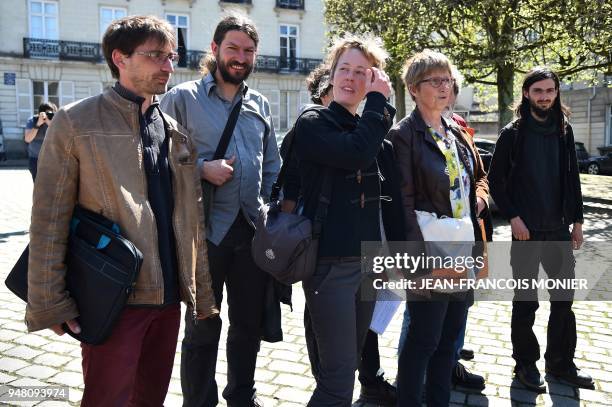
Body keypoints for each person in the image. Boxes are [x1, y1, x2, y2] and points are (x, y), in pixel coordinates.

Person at [24, 15, 218, 405]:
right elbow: (49, 217)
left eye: (171, 56)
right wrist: (50, 302)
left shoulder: (175, 131)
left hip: (166, 301)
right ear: (120, 58)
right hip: (112, 296)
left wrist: (202, 294)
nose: (168, 66)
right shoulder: (76, 121)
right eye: (156, 56)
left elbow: (191, 220)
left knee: (151, 399)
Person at [161, 14, 281, 407]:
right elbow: (156, 159)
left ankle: (242, 396)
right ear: (214, 49)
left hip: (250, 234)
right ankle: (199, 402)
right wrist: (201, 170)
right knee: (202, 329)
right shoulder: (182, 98)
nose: (240, 57)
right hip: (204, 234)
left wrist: (266, 206)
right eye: (232, 48)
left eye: (248, 51)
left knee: (247, 326)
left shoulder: (260, 103)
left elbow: (273, 165)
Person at [282, 64, 397, 405]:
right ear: (330, 79)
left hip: (366, 263)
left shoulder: (368, 127)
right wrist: (377, 101)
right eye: (343, 69)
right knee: (337, 380)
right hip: (329, 264)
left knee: (347, 365)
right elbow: (354, 153)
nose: (350, 78)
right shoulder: (314, 121)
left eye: (361, 72)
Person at [388, 49, 489, 406]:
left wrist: (480, 199)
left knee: (449, 342)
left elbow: (478, 178)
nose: (445, 87)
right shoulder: (403, 135)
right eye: (435, 80)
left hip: (461, 246)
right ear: (414, 89)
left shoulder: (454, 129)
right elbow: (402, 205)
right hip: (431, 254)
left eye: (448, 79)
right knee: (423, 341)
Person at [488, 67, 594, 392]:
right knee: (526, 302)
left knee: (564, 302)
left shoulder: (565, 130)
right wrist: (513, 216)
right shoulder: (512, 134)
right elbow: (495, 181)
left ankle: (561, 364)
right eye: (538, 91)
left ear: (556, 93)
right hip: (526, 234)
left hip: (560, 232)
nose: (545, 97)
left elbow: (572, 179)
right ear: (526, 94)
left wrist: (577, 222)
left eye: (550, 91)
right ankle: (525, 365)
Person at [24, 102, 58, 180]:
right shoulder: (33, 120)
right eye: (47, 113)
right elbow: (28, 139)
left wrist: (50, 124)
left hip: (53, 158)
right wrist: (38, 125)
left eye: (51, 113)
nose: (49, 115)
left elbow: (61, 137)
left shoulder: (56, 121)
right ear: (40, 113)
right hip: (35, 159)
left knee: (53, 186)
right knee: (38, 186)